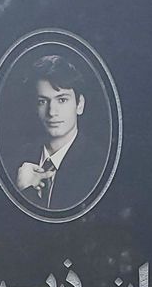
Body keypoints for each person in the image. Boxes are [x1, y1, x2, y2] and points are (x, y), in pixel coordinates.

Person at [13, 54, 107, 211]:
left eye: (62, 100)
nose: (52, 112)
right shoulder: (16, 158)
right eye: (42, 101)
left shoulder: (99, 165)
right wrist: (21, 189)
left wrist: (25, 193)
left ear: (79, 105)